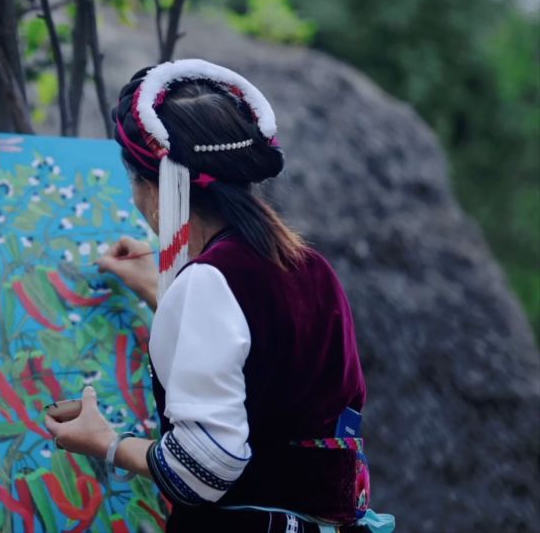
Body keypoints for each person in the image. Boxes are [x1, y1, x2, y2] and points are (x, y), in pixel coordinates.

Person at [44, 60, 394, 532]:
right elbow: (263, 359)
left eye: (135, 184)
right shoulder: (311, 267)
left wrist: (106, 442)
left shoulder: (210, 282)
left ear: (158, 188)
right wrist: (165, 293)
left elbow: (203, 469)